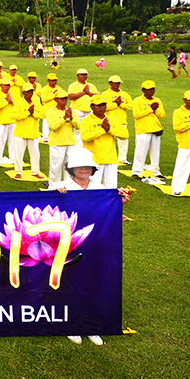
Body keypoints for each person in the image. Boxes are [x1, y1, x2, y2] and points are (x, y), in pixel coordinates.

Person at [51, 148, 129, 346]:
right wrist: (55, 196)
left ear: (93, 168)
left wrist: (118, 202)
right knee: (71, 281)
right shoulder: (60, 186)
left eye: (87, 166)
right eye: (79, 166)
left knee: (94, 282)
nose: (83, 169)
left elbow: (106, 212)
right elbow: (46, 208)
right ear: (71, 168)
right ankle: (72, 323)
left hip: (95, 243)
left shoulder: (101, 188)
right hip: (69, 243)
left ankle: (91, 325)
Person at [79, 95, 128, 188]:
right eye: (98, 105)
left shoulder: (111, 119)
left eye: (103, 105)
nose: (102, 108)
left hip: (110, 159)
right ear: (92, 106)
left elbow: (125, 135)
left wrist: (109, 130)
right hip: (93, 160)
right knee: (92, 189)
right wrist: (102, 130)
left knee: (111, 188)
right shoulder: (87, 120)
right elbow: (85, 137)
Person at [131, 80, 165, 180]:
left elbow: (162, 115)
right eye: (149, 89)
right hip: (143, 129)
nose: (151, 91)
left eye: (153, 89)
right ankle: (136, 171)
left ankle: (156, 171)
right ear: (143, 90)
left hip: (155, 128)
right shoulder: (137, 100)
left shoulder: (157, 100)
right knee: (140, 151)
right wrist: (150, 109)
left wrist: (155, 109)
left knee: (155, 152)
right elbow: (136, 115)